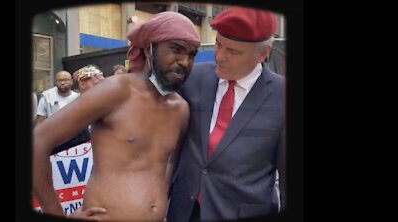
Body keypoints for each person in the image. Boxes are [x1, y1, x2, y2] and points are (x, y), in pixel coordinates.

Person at [32, 11, 200, 221]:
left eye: (192, 54)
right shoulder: (115, 91)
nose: (184, 61)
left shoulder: (180, 109)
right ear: (149, 49)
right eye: (176, 49)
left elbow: (168, 165)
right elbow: (37, 142)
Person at [167, 6, 286, 221]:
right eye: (218, 44)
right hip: (184, 211)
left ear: (262, 53)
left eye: (233, 51)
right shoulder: (193, 77)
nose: (220, 57)